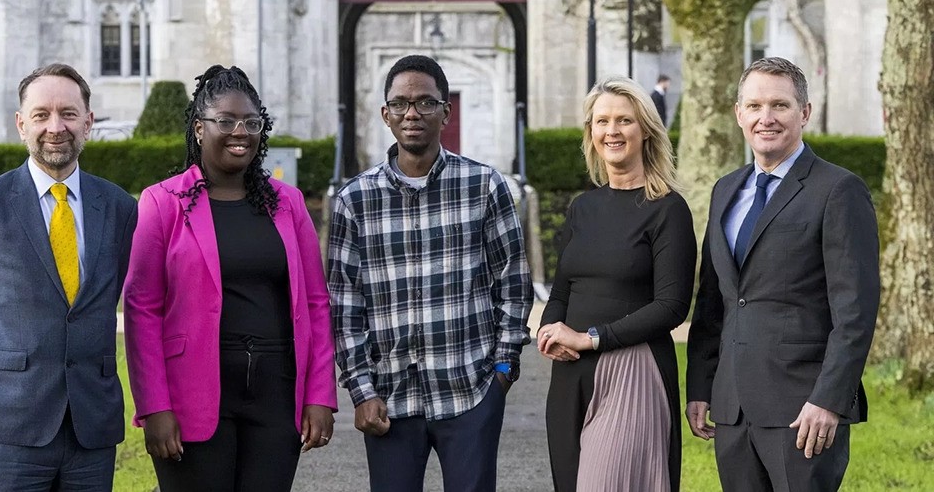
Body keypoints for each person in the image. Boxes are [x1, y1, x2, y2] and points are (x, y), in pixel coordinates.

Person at [123, 65, 336, 492]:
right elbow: (141, 308)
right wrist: (154, 407)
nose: (240, 132)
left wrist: (320, 395)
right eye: (225, 121)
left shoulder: (288, 204)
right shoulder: (162, 203)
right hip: (192, 395)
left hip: (276, 392)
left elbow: (315, 302)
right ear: (200, 129)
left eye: (251, 122)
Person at [328, 54, 533, 492]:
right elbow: (345, 306)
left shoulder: (484, 186)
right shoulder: (354, 200)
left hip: (470, 390)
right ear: (385, 114)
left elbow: (514, 286)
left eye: (425, 102)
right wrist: (362, 391)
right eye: (400, 104)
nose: (412, 114)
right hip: (389, 401)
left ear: (446, 111)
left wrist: (502, 369)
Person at [685, 57, 880, 491]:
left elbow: (856, 311)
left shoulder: (838, 190)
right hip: (732, 409)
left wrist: (828, 400)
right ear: (739, 114)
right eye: (753, 106)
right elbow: (713, 301)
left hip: (803, 410)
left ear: (804, 112)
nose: (765, 118)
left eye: (780, 105)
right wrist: (700, 386)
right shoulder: (724, 190)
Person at [0, 63, 138, 491]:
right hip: (9, 425)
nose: (56, 127)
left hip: (92, 427)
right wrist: (3, 382)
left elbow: (114, 299)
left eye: (69, 114)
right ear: (21, 124)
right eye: (41, 114)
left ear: (88, 123)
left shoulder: (120, 208)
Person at [537, 76, 696, 492]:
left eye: (624, 120)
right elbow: (561, 289)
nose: (612, 130)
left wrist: (591, 338)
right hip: (570, 373)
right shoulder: (583, 208)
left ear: (645, 130)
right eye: (602, 121)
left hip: (633, 368)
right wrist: (549, 331)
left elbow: (672, 307)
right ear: (591, 133)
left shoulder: (668, 210)